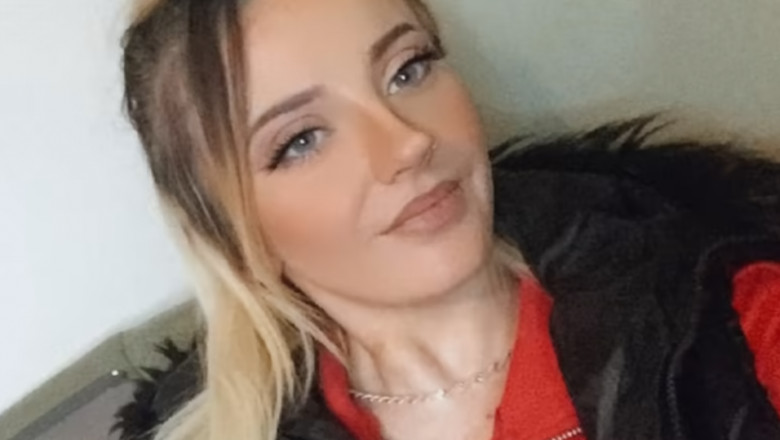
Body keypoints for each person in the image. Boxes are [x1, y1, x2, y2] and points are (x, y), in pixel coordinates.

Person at [115, 0, 780, 439]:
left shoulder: (723, 322)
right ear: (231, 233)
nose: (408, 142)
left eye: (407, 70)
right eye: (301, 140)